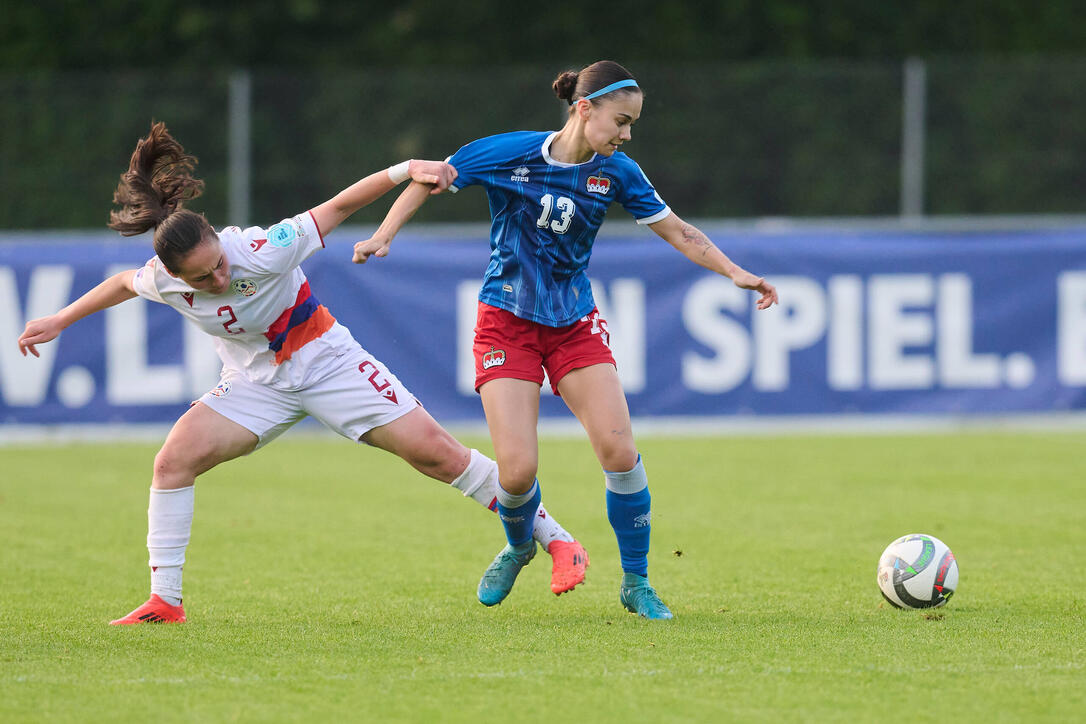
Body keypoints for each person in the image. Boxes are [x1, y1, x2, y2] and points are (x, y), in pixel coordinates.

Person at [16, 122, 589, 625]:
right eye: (202, 277)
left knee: (437, 454)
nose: (217, 277)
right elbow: (121, 283)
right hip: (254, 383)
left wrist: (402, 170)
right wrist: (60, 320)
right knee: (172, 462)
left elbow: (336, 209)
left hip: (326, 362)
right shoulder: (163, 278)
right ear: (173, 275)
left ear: (221, 240)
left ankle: (559, 541)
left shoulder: (260, 248)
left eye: (218, 263)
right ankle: (165, 600)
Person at [352, 61, 778, 620]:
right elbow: (429, 178)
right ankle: (520, 545)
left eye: (632, 125)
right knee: (517, 473)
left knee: (619, 452)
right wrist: (384, 235)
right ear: (584, 109)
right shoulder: (509, 152)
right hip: (505, 322)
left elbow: (679, 231)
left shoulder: (618, 172)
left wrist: (734, 271)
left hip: (574, 323)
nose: (627, 134)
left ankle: (636, 582)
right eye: (621, 121)